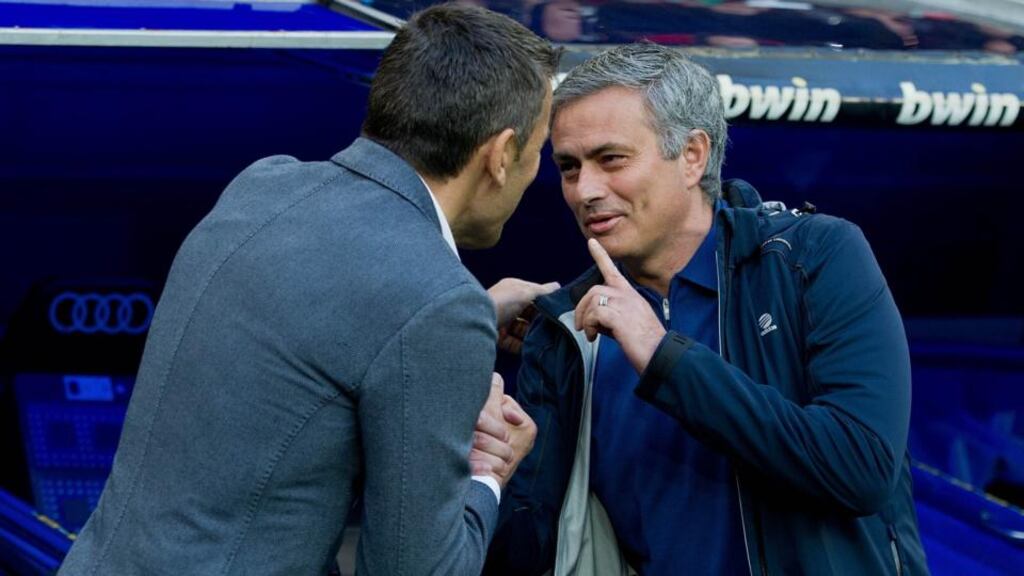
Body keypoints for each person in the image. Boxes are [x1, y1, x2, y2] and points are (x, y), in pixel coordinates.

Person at [58, 4, 559, 575]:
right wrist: (486, 476)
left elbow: (333, 323)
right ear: (499, 155)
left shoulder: (262, 186)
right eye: (540, 150)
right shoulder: (435, 302)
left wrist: (463, 316)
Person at [480, 42, 928, 575]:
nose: (585, 190)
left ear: (692, 155)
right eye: (569, 167)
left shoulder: (813, 258)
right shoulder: (567, 331)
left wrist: (663, 355)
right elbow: (532, 545)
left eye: (611, 159)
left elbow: (861, 467)